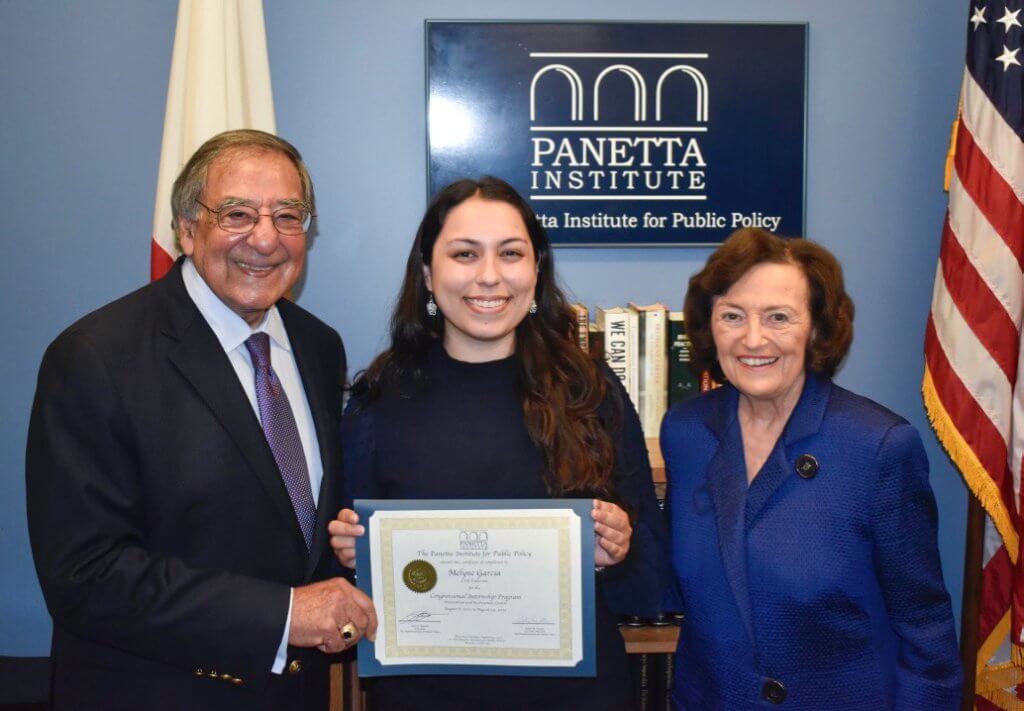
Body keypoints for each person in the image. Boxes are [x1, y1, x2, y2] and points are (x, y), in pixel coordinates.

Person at [26, 129, 377, 710]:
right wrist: (284, 614)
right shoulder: (94, 357)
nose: (265, 238)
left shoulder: (319, 347)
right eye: (237, 213)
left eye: (288, 216)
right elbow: (85, 575)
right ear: (187, 229)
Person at [327, 176, 670, 710]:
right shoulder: (377, 400)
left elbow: (650, 577)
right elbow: (345, 580)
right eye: (465, 254)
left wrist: (617, 553)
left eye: (511, 253)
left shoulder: (591, 391)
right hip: (424, 696)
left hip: (577, 698)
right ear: (427, 273)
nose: (489, 276)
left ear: (536, 270)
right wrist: (353, 556)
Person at [661, 227, 962, 709]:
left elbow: (924, 626)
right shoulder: (685, 431)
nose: (752, 338)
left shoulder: (879, 446)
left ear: (818, 329)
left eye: (778, 317)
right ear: (708, 326)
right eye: (732, 316)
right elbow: (679, 584)